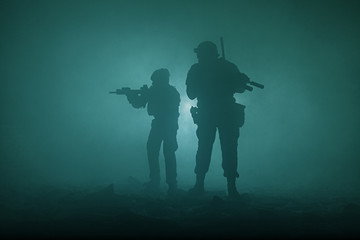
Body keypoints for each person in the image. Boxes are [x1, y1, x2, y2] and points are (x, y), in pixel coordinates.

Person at [186, 41, 249, 198]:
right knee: (225, 149)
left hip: (212, 112)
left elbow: (191, 93)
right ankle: (228, 187)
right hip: (222, 112)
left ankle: (202, 185)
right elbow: (240, 88)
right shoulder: (227, 67)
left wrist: (239, 80)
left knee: (207, 148)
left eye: (200, 53)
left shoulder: (198, 69)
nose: (199, 56)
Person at [126, 68, 180, 195]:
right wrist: (132, 96)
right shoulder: (168, 91)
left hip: (166, 124)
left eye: (155, 81)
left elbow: (140, 103)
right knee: (155, 152)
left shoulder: (168, 92)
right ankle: (160, 182)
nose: (153, 84)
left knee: (166, 153)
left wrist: (138, 96)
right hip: (164, 125)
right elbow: (139, 103)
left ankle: (169, 184)